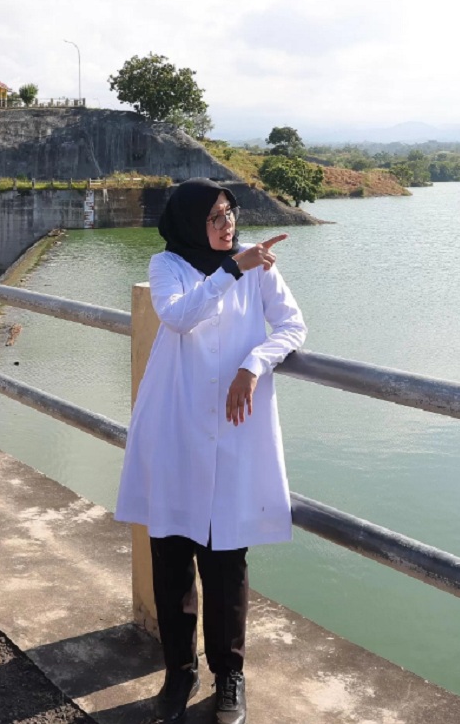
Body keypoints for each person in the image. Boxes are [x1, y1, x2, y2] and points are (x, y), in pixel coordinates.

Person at [115, 178, 306, 724]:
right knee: (171, 557)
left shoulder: (260, 267)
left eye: (230, 213)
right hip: (174, 423)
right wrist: (231, 270)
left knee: (226, 560)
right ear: (190, 222)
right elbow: (178, 316)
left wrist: (255, 363)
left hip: (233, 425)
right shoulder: (168, 265)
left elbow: (293, 326)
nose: (226, 225)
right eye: (215, 217)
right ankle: (180, 672)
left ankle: (230, 676)